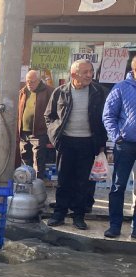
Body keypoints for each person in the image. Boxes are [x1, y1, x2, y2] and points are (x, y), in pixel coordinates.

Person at [44, 59, 107, 230]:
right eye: (85, 72)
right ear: (73, 75)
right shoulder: (60, 92)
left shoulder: (99, 92)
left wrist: (102, 143)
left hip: (88, 143)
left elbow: (105, 118)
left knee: (83, 182)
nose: (89, 75)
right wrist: (54, 135)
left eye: (91, 71)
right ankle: (60, 213)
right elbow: (49, 116)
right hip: (66, 142)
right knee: (64, 180)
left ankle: (78, 216)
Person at [102, 57, 136, 238]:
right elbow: (108, 115)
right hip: (126, 145)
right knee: (118, 186)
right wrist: (117, 137)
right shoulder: (121, 87)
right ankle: (114, 226)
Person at [18, 70, 55, 180]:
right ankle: (26, 183)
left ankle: (37, 184)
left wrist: (51, 135)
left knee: (38, 161)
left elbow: (53, 114)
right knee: (25, 159)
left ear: (39, 81)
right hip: (24, 133)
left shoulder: (49, 91)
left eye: (32, 82)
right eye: (28, 81)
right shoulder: (23, 92)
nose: (29, 84)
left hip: (39, 133)